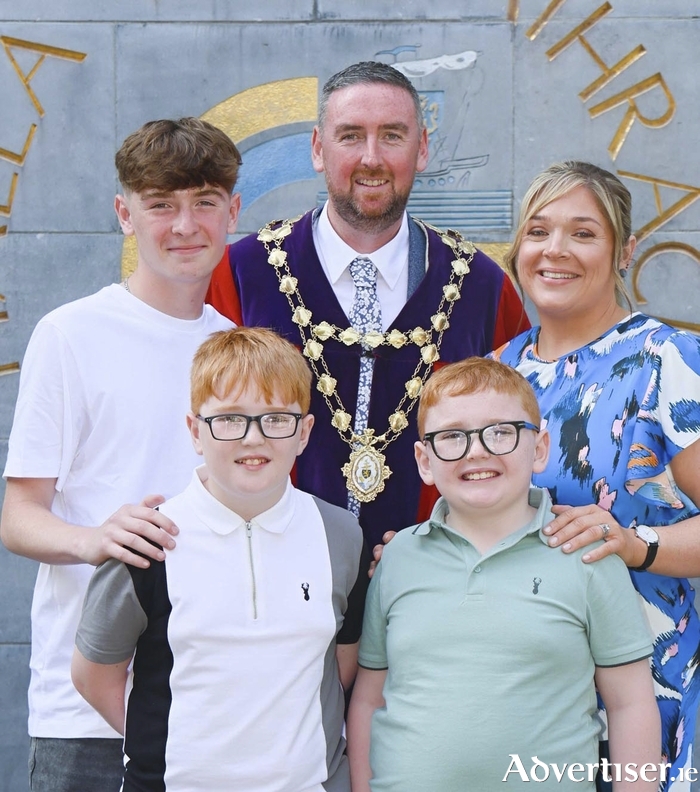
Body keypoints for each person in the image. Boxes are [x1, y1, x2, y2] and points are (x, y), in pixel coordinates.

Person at [0, 117, 241, 791]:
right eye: (161, 204)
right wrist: (94, 539)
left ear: (233, 211)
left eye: (203, 202)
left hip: (208, 706)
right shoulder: (70, 335)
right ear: (124, 214)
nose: (185, 225)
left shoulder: (237, 348)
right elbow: (18, 515)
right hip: (84, 712)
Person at [207, 60, 528, 549]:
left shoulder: (482, 286)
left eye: (393, 136)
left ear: (422, 149)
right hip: (269, 576)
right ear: (318, 148)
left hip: (436, 587)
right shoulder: (241, 273)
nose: (371, 158)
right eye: (351, 136)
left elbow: (517, 442)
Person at [71, 326, 367, 792]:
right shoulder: (149, 540)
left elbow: (340, 666)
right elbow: (93, 675)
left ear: (305, 433)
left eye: (276, 419)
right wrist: (170, 749)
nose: (254, 439)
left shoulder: (340, 536)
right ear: (194, 431)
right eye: (229, 419)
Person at [347, 357, 660, 791]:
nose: (477, 451)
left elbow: (630, 705)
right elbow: (368, 699)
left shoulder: (586, 553)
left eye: (500, 432)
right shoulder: (398, 557)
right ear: (424, 460)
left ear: (540, 448)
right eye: (452, 436)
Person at [491, 161, 700, 790]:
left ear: (625, 251)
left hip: (654, 695)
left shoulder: (666, 360)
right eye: (538, 231)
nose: (555, 250)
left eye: (583, 233)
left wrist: (639, 545)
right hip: (531, 697)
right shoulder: (496, 375)